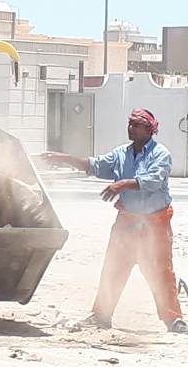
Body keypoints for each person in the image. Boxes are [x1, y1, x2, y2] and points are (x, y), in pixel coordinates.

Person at [42, 108, 187, 333]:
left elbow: (153, 181)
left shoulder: (160, 154)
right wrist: (62, 158)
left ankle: (173, 319)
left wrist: (122, 184)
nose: (131, 128)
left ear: (149, 129)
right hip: (127, 222)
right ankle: (102, 315)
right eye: (130, 124)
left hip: (154, 224)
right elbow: (95, 165)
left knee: (161, 271)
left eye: (136, 125)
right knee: (113, 267)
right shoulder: (121, 153)